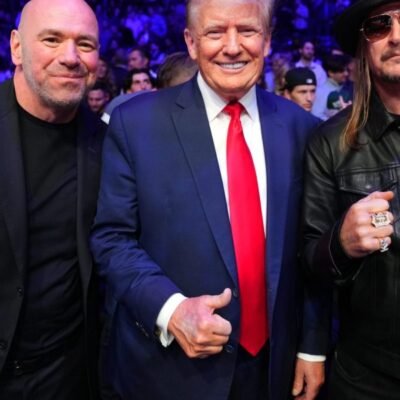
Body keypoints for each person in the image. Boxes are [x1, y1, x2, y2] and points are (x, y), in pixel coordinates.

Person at [91, 0, 325, 399]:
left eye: (247, 31)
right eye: (215, 32)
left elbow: (313, 247)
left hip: (275, 368)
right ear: (191, 42)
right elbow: (112, 238)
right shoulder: (137, 124)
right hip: (170, 370)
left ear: (268, 40)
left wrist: (312, 346)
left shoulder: (303, 129)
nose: (232, 47)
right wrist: (171, 310)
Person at [0, 0, 104, 399]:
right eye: (52, 39)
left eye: (85, 44)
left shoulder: (108, 144)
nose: (70, 57)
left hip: (69, 375)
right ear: (16, 47)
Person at [302, 0, 400, 398]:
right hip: (368, 374)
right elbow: (307, 261)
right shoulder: (330, 143)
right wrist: (340, 243)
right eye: (380, 25)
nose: (397, 37)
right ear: (362, 46)